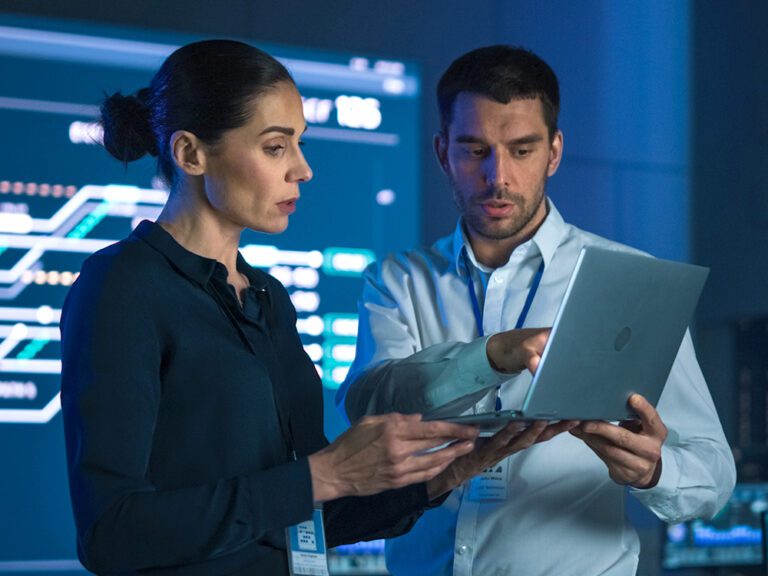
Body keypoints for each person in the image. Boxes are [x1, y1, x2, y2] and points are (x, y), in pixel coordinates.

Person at [59, 40, 571, 576]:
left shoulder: (266, 296)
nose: (303, 169)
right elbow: (111, 533)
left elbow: (301, 520)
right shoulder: (123, 284)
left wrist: (443, 474)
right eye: (276, 147)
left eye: (299, 144)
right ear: (190, 153)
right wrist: (320, 476)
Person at [336, 45, 736, 575]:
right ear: (442, 153)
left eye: (521, 150)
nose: (497, 177)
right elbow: (366, 406)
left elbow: (714, 475)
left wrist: (654, 471)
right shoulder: (397, 281)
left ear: (554, 152)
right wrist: (492, 358)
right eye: (475, 150)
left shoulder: (632, 281)